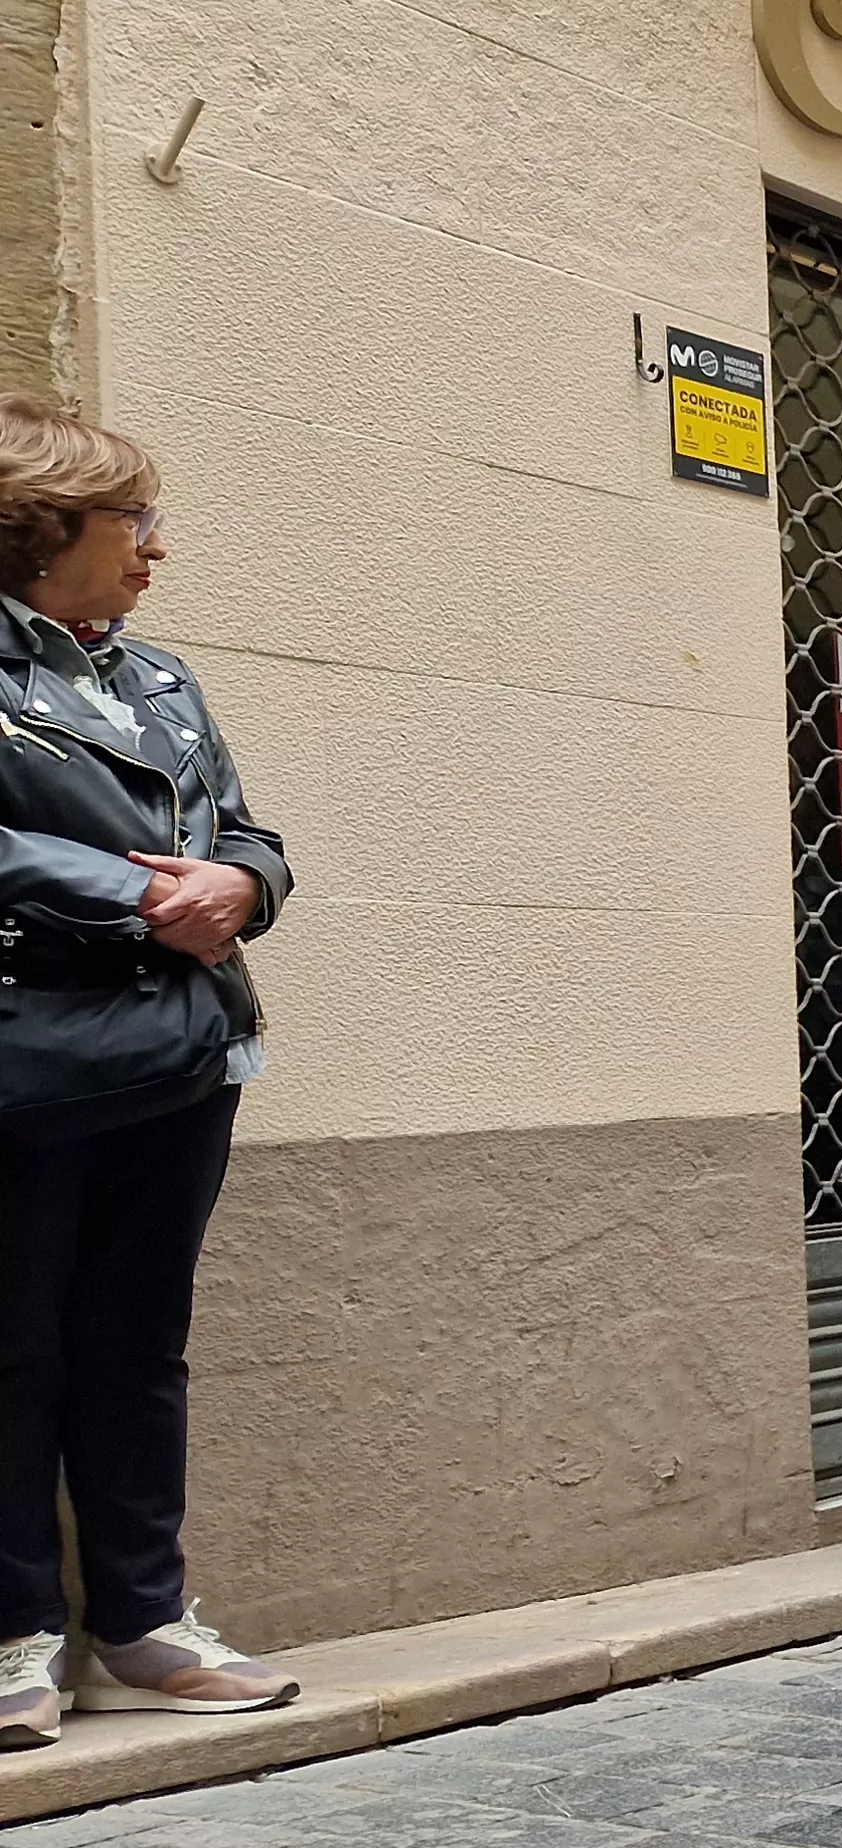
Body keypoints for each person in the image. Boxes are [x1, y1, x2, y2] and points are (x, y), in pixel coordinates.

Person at [0, 397, 301, 1746]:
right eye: (134, 521)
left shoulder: (161, 677)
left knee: (137, 1347)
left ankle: (141, 1623)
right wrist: (135, 893)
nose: (155, 549)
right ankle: (14, 1637)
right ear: (43, 529)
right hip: (27, 1050)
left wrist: (242, 879)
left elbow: (244, 826)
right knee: (13, 1351)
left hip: (183, 1050)